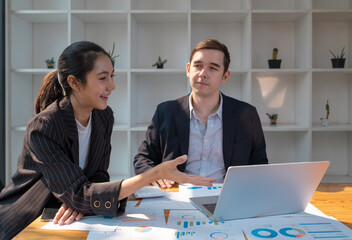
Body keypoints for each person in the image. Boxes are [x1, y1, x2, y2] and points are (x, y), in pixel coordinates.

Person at [0, 41, 216, 239]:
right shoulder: (44, 126)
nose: (111, 86)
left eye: (112, 76)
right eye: (103, 78)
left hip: (71, 218)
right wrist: (153, 174)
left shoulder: (103, 116)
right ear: (74, 82)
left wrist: (81, 200)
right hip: (29, 220)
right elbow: (78, 193)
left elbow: (98, 176)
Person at [134, 39, 268, 188]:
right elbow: (142, 160)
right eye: (198, 66)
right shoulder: (165, 112)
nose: (203, 73)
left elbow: (260, 164)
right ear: (188, 69)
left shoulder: (247, 114)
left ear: (225, 76)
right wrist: (156, 176)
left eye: (213, 68)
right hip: (177, 195)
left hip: (226, 196)